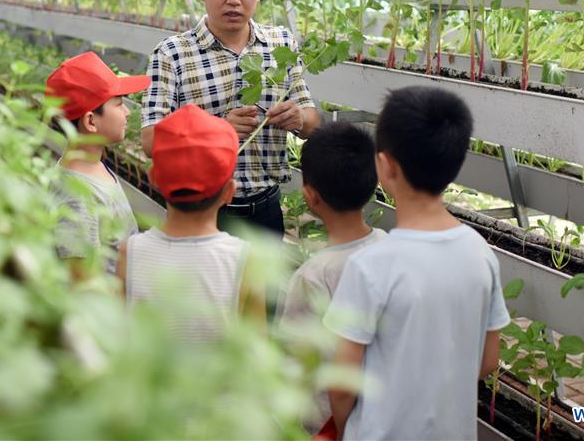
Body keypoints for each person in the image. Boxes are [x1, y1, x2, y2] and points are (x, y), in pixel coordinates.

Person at [324, 86, 510, 440]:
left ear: (385, 166)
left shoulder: (370, 266)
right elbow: (487, 362)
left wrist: (351, 429)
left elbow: (342, 382)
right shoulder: (480, 253)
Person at [141, 0, 321, 237]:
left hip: (266, 211)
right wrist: (216, 129)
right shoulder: (172, 54)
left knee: (263, 286)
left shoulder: (281, 45)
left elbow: (313, 124)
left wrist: (299, 119)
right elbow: (149, 141)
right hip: (202, 214)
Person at [118, 104, 265, 338]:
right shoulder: (245, 260)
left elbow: (118, 332)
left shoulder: (131, 252)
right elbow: (256, 346)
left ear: (154, 179)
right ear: (229, 192)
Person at [277, 121, 387, 434]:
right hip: (388, 413)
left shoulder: (312, 276)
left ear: (310, 196)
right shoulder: (390, 249)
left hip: (330, 422)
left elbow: (295, 361)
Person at [45, 51, 152, 279]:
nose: (127, 111)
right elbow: (81, 283)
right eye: (119, 104)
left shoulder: (94, 166)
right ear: (91, 121)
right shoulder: (76, 198)